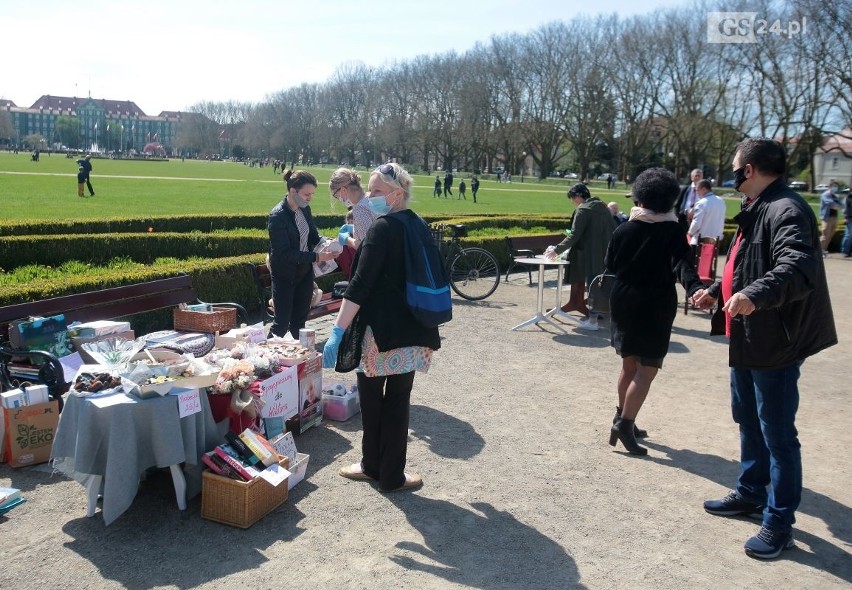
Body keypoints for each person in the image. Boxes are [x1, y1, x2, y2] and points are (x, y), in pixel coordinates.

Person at [692, 138, 836, 560]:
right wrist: (720, 290)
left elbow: (797, 265)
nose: (732, 173)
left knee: (777, 434)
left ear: (750, 169)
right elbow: (751, 263)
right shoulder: (761, 206)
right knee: (748, 418)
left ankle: (779, 523)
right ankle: (752, 492)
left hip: (775, 340)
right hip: (751, 335)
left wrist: (754, 294)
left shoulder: (786, 208)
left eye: (735, 166)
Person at [322, 163, 440, 493]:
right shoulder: (416, 224)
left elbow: (359, 285)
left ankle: (376, 468)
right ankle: (389, 473)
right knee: (397, 402)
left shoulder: (382, 229)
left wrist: (337, 330)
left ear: (397, 194)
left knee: (376, 402)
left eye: (376, 191)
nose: (370, 197)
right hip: (414, 329)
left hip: (380, 333)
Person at [607, 168, 704, 456]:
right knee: (647, 370)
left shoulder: (624, 228)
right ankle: (625, 425)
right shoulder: (673, 230)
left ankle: (622, 415)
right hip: (655, 302)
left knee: (629, 365)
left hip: (623, 299)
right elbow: (682, 266)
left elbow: (610, 264)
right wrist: (695, 288)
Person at [267, 169, 338, 339]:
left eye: (311, 194)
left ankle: (298, 358)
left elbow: (313, 235)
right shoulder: (277, 216)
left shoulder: (304, 209)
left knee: (299, 322)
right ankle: (261, 356)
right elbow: (284, 254)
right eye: (307, 194)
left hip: (304, 274)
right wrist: (317, 257)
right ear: (293, 191)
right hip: (285, 276)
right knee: (281, 324)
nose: (309, 198)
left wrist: (326, 242)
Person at [554, 183, 615, 330]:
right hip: (605, 253)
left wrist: (556, 250)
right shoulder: (604, 208)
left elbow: (574, 235)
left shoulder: (583, 210)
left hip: (587, 255)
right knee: (598, 286)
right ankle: (595, 316)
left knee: (592, 286)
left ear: (579, 196)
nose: (573, 202)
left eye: (573, 198)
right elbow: (613, 229)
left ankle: (592, 321)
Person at [329, 167, 379, 252]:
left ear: (343, 190)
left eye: (337, 195)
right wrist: (354, 228)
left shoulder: (360, 209)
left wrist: (347, 240)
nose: (339, 199)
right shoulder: (369, 197)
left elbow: (366, 246)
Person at [686, 179, 726, 246]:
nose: (697, 193)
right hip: (716, 241)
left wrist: (689, 233)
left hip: (700, 242)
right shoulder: (721, 201)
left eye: (697, 190)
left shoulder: (701, 203)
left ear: (704, 189)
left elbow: (696, 224)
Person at [818, 181, 843, 256]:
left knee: (830, 235)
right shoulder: (825, 195)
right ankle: (818, 251)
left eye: (836, 187)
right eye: (834, 186)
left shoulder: (835, 196)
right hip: (826, 218)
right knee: (825, 235)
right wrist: (837, 206)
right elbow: (833, 205)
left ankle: (823, 250)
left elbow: (841, 205)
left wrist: (837, 206)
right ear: (830, 187)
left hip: (834, 218)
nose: (835, 188)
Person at [841, 189, 852, 258]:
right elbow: (845, 208)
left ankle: (848, 251)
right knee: (848, 235)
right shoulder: (848, 197)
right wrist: (845, 218)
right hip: (850, 218)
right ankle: (845, 251)